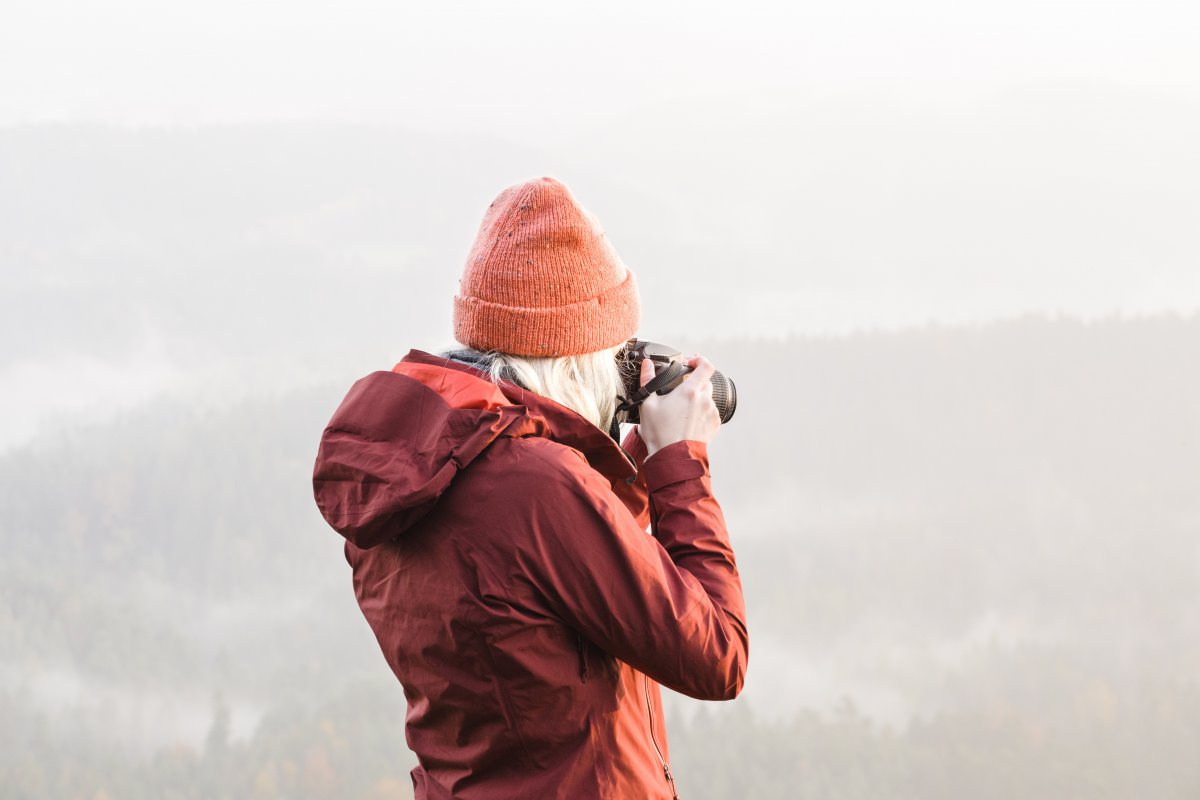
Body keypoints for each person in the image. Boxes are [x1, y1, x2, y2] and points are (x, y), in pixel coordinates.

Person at [312, 176, 748, 799]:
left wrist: (632, 465)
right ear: (573, 360)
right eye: (611, 352)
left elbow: (542, 590)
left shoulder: (420, 468)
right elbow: (719, 655)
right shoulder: (537, 487)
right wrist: (681, 464)